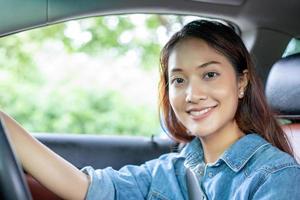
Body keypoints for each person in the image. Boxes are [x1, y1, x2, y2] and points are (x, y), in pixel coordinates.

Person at [1, 20, 300, 200]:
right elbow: (88, 190)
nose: (192, 94)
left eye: (209, 75)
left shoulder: (274, 176)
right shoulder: (170, 169)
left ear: (241, 83)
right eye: (179, 80)